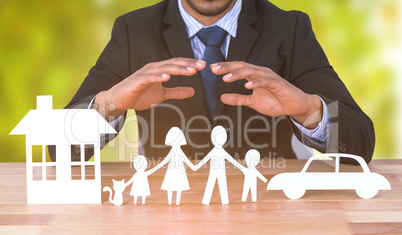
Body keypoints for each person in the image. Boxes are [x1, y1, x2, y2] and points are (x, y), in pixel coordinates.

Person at [61, 0, 375, 163]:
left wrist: (308, 110)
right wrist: (111, 105)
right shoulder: (134, 31)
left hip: (268, 214)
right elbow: (58, 150)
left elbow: (360, 145)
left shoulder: (289, 28)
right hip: (167, 214)